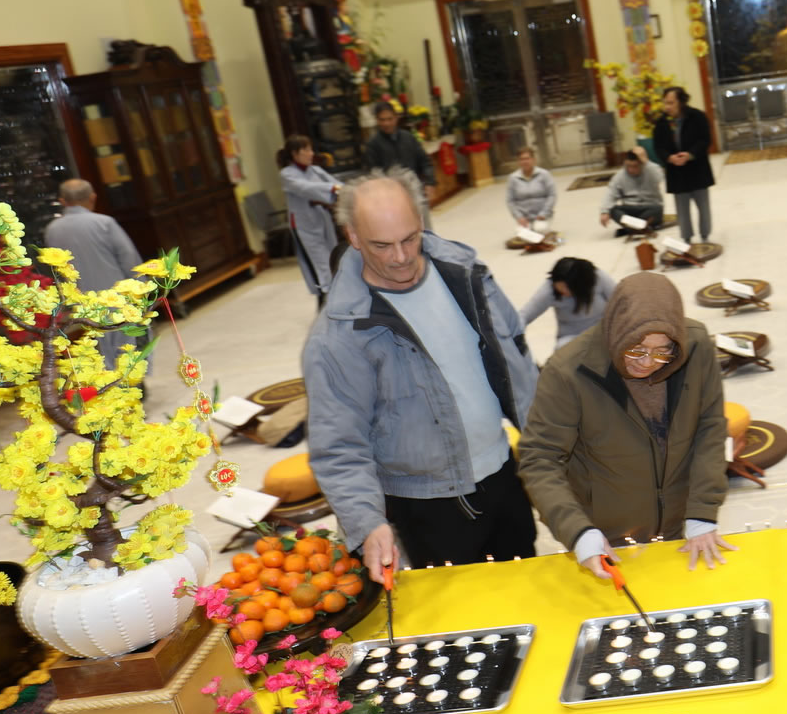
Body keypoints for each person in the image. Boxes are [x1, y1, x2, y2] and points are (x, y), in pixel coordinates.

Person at [303, 168, 539, 579]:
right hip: (429, 506)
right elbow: (339, 446)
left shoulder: (466, 273)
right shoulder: (338, 334)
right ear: (353, 236)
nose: (400, 256)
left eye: (410, 238)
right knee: (462, 611)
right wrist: (367, 523)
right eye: (382, 245)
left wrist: (551, 445)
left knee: (530, 588)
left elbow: (517, 353)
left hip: (503, 473)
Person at [519, 272, 736, 576]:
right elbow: (540, 459)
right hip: (608, 535)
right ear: (617, 329)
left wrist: (702, 510)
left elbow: (710, 426)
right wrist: (578, 531)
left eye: (662, 352)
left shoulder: (696, 345)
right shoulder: (567, 372)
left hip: (682, 521)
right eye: (636, 349)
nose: (647, 362)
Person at [43, 179, 142, 364]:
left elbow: (54, 268)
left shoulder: (52, 230)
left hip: (79, 300)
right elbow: (128, 256)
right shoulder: (104, 223)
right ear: (93, 197)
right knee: (125, 347)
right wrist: (140, 288)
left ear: (62, 201)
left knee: (97, 349)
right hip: (114, 295)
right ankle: (129, 379)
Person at [278, 135, 341, 301]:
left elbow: (337, 185)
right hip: (303, 224)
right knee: (319, 262)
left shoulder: (315, 170)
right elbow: (305, 188)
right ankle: (326, 297)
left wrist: (340, 190)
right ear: (294, 154)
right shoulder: (287, 174)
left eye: (311, 149)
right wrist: (331, 189)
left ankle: (337, 294)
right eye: (306, 150)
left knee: (333, 257)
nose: (311, 153)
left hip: (322, 219)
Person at [650, 86, 716, 243]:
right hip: (676, 172)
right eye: (665, 103)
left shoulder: (697, 116)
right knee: (682, 209)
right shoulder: (661, 122)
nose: (667, 107)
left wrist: (690, 154)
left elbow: (705, 140)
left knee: (703, 206)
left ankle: (705, 236)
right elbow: (658, 147)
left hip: (697, 169)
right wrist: (669, 158)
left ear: (681, 102)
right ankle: (686, 238)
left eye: (671, 103)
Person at [519, 257, 615, 350]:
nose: (564, 292)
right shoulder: (549, 290)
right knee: (562, 349)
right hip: (572, 336)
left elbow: (619, 301)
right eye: (560, 290)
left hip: (603, 330)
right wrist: (517, 336)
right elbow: (524, 315)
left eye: (567, 288)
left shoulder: (598, 277)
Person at [362, 101, 436, 204]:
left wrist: (429, 182)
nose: (386, 123)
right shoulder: (372, 144)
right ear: (377, 120)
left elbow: (425, 162)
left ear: (396, 118)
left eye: (389, 119)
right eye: (382, 120)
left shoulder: (408, 137)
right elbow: (373, 174)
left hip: (416, 191)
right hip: (391, 198)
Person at [600, 150, 666, 234]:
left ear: (642, 164)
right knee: (613, 210)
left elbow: (660, 176)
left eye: (635, 166)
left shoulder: (650, 170)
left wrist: (647, 162)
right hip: (630, 208)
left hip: (650, 207)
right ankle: (640, 227)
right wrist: (604, 211)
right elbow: (611, 194)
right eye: (628, 166)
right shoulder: (619, 176)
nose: (631, 169)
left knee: (658, 209)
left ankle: (630, 228)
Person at [505, 147, 557, 229]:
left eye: (527, 158)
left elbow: (552, 195)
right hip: (524, 218)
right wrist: (519, 217)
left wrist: (543, 213)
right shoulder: (513, 178)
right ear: (518, 161)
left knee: (540, 229)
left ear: (533, 160)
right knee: (523, 234)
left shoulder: (544, 174)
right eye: (521, 159)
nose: (525, 162)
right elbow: (510, 200)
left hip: (542, 216)